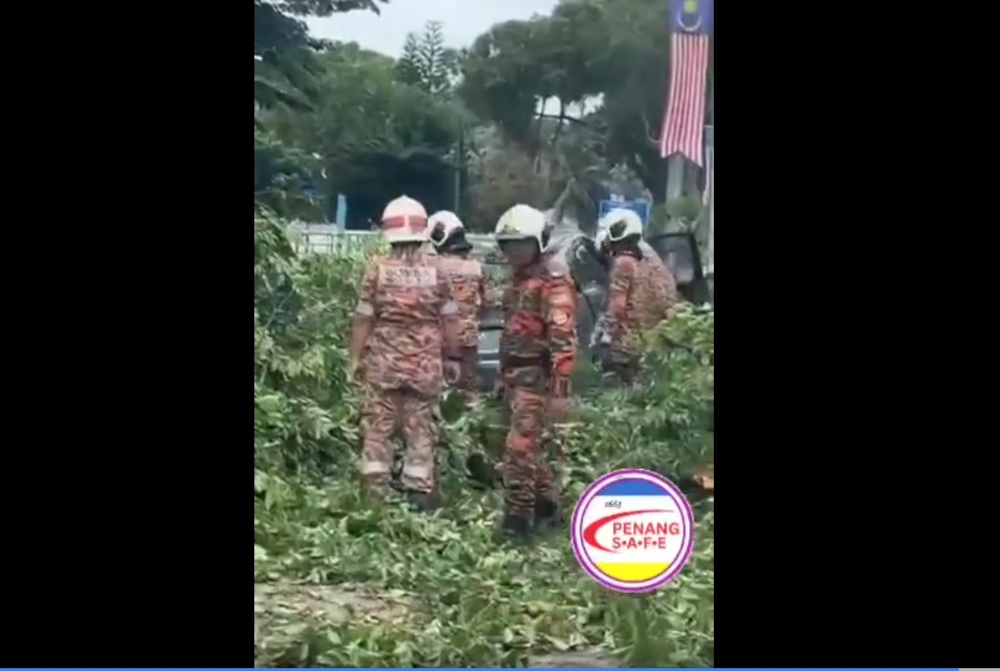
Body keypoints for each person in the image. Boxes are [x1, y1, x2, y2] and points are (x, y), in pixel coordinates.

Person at [348, 195, 462, 510]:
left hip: (384, 363)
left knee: (378, 426)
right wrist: (453, 357)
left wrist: (356, 358)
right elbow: (451, 316)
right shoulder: (437, 270)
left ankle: (374, 496)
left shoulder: (377, 269)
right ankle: (420, 493)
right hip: (425, 365)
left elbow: (363, 317)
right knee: (420, 426)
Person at [488, 204, 577, 541]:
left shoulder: (552, 283)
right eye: (508, 244)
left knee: (520, 450)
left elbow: (563, 341)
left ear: (538, 242)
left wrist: (559, 391)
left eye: (520, 244)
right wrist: (501, 375)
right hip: (515, 378)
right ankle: (547, 507)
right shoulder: (519, 281)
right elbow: (512, 333)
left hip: (537, 380)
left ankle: (517, 522)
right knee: (525, 449)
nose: (513, 251)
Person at [596, 209, 674, 385]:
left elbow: (617, 305)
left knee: (616, 389)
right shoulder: (647, 263)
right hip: (648, 340)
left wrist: (606, 336)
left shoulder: (622, 264)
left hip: (626, 342)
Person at [428, 210, 486, 406]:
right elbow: (486, 301)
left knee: (439, 391)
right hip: (469, 338)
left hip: (441, 337)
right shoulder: (476, 267)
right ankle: (474, 425)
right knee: (469, 389)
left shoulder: (432, 266)